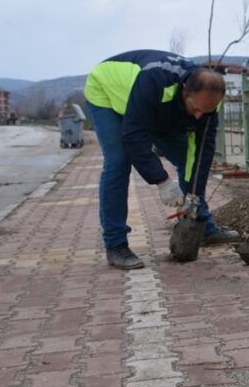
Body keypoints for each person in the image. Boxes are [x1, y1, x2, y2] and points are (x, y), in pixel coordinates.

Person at [83, 49, 238, 269]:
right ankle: (115, 244)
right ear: (184, 90)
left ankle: (203, 226)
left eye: (206, 112)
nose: (198, 117)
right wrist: (162, 181)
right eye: (195, 108)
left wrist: (193, 194)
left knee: (188, 159)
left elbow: (201, 153)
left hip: (162, 111)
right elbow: (134, 137)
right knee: (118, 162)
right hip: (108, 93)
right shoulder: (153, 81)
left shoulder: (208, 105)